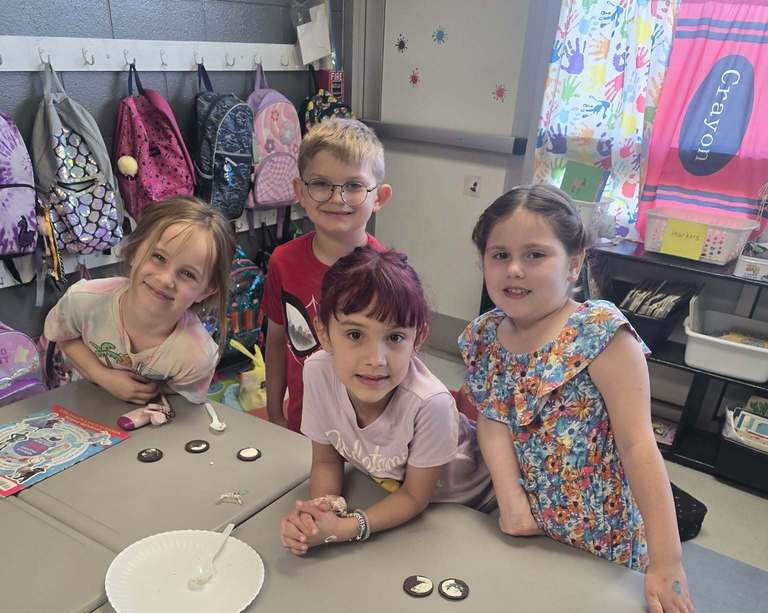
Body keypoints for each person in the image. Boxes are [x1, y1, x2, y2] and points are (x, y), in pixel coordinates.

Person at [459, 184, 695, 613]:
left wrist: (667, 561)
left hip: (602, 532)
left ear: (575, 263)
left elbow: (640, 448)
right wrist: (513, 503)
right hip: (529, 524)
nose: (514, 270)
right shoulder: (485, 338)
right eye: (500, 256)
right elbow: (493, 417)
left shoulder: (604, 338)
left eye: (535, 254)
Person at [280, 247, 494, 553]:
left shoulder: (430, 403)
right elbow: (327, 460)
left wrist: (346, 528)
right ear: (324, 333)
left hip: (472, 505)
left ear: (417, 339)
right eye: (355, 335)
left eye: (394, 338)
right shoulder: (318, 371)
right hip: (397, 495)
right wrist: (317, 517)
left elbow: (414, 497)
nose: (375, 359)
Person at [263, 118, 391, 432]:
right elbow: (277, 343)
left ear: (379, 197)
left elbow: (398, 362)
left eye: (353, 185)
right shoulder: (283, 261)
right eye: (321, 183)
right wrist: (274, 413)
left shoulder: (389, 275)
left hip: (368, 432)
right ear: (300, 192)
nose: (337, 198)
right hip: (301, 424)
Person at [43, 196, 234, 405]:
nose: (165, 280)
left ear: (206, 290)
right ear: (134, 252)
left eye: (187, 274)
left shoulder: (197, 355)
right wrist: (103, 376)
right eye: (159, 257)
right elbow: (64, 336)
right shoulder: (82, 301)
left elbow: (182, 409)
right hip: (78, 405)